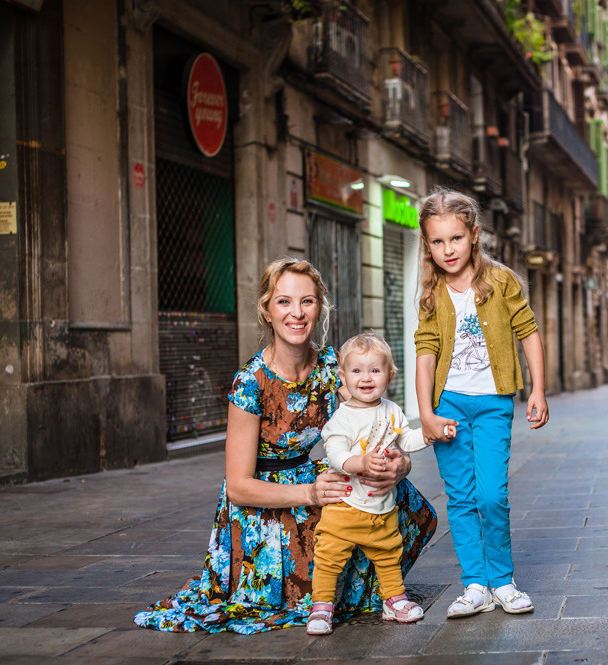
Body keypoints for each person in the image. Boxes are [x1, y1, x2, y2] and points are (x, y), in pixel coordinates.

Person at [134, 258, 437, 634]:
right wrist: (309, 492)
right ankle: (344, 592)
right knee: (314, 575)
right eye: (284, 302)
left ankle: (382, 590)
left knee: (404, 501)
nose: (297, 313)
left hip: (315, 477)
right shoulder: (250, 382)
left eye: (307, 301)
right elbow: (239, 485)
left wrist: (400, 464)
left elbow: (377, 420)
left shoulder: (332, 368)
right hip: (265, 500)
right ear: (267, 309)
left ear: (320, 307)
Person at [414, 188, 549, 619]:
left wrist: (538, 390)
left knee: (492, 494)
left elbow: (528, 332)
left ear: (474, 235)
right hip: (448, 404)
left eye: (455, 238)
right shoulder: (432, 291)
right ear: (427, 245)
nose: (447, 249)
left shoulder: (502, 281)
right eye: (437, 241)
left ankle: (504, 581)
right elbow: (425, 351)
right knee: (461, 497)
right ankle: (475, 584)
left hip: (492, 403)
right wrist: (427, 415)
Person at [308, 333, 433, 635]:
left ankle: (394, 599)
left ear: (389, 375)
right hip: (346, 506)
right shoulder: (342, 418)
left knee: (390, 553)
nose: (366, 378)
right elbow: (336, 455)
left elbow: (406, 438)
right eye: (356, 371)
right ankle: (322, 607)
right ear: (343, 376)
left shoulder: (391, 410)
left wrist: (429, 434)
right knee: (328, 556)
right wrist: (361, 462)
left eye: (375, 370)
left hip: (381, 504)